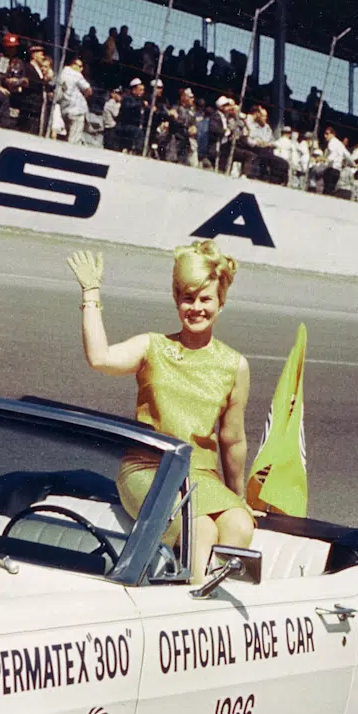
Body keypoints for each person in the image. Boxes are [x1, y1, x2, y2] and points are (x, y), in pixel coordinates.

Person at [68, 241, 254, 583]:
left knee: (240, 523)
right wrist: (91, 294)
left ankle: (214, 606)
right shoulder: (153, 346)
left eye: (205, 299)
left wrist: (237, 497)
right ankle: (195, 613)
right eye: (187, 297)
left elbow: (232, 438)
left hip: (201, 475)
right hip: (148, 469)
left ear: (221, 303)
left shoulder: (234, 365)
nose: (195, 307)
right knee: (198, 528)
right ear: (176, 299)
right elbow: (100, 358)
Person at [54, 54, 92, 144]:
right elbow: (89, 90)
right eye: (79, 66)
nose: (81, 69)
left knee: (66, 134)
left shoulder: (62, 72)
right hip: (76, 109)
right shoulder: (75, 74)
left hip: (65, 108)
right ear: (73, 64)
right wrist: (84, 97)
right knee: (74, 138)